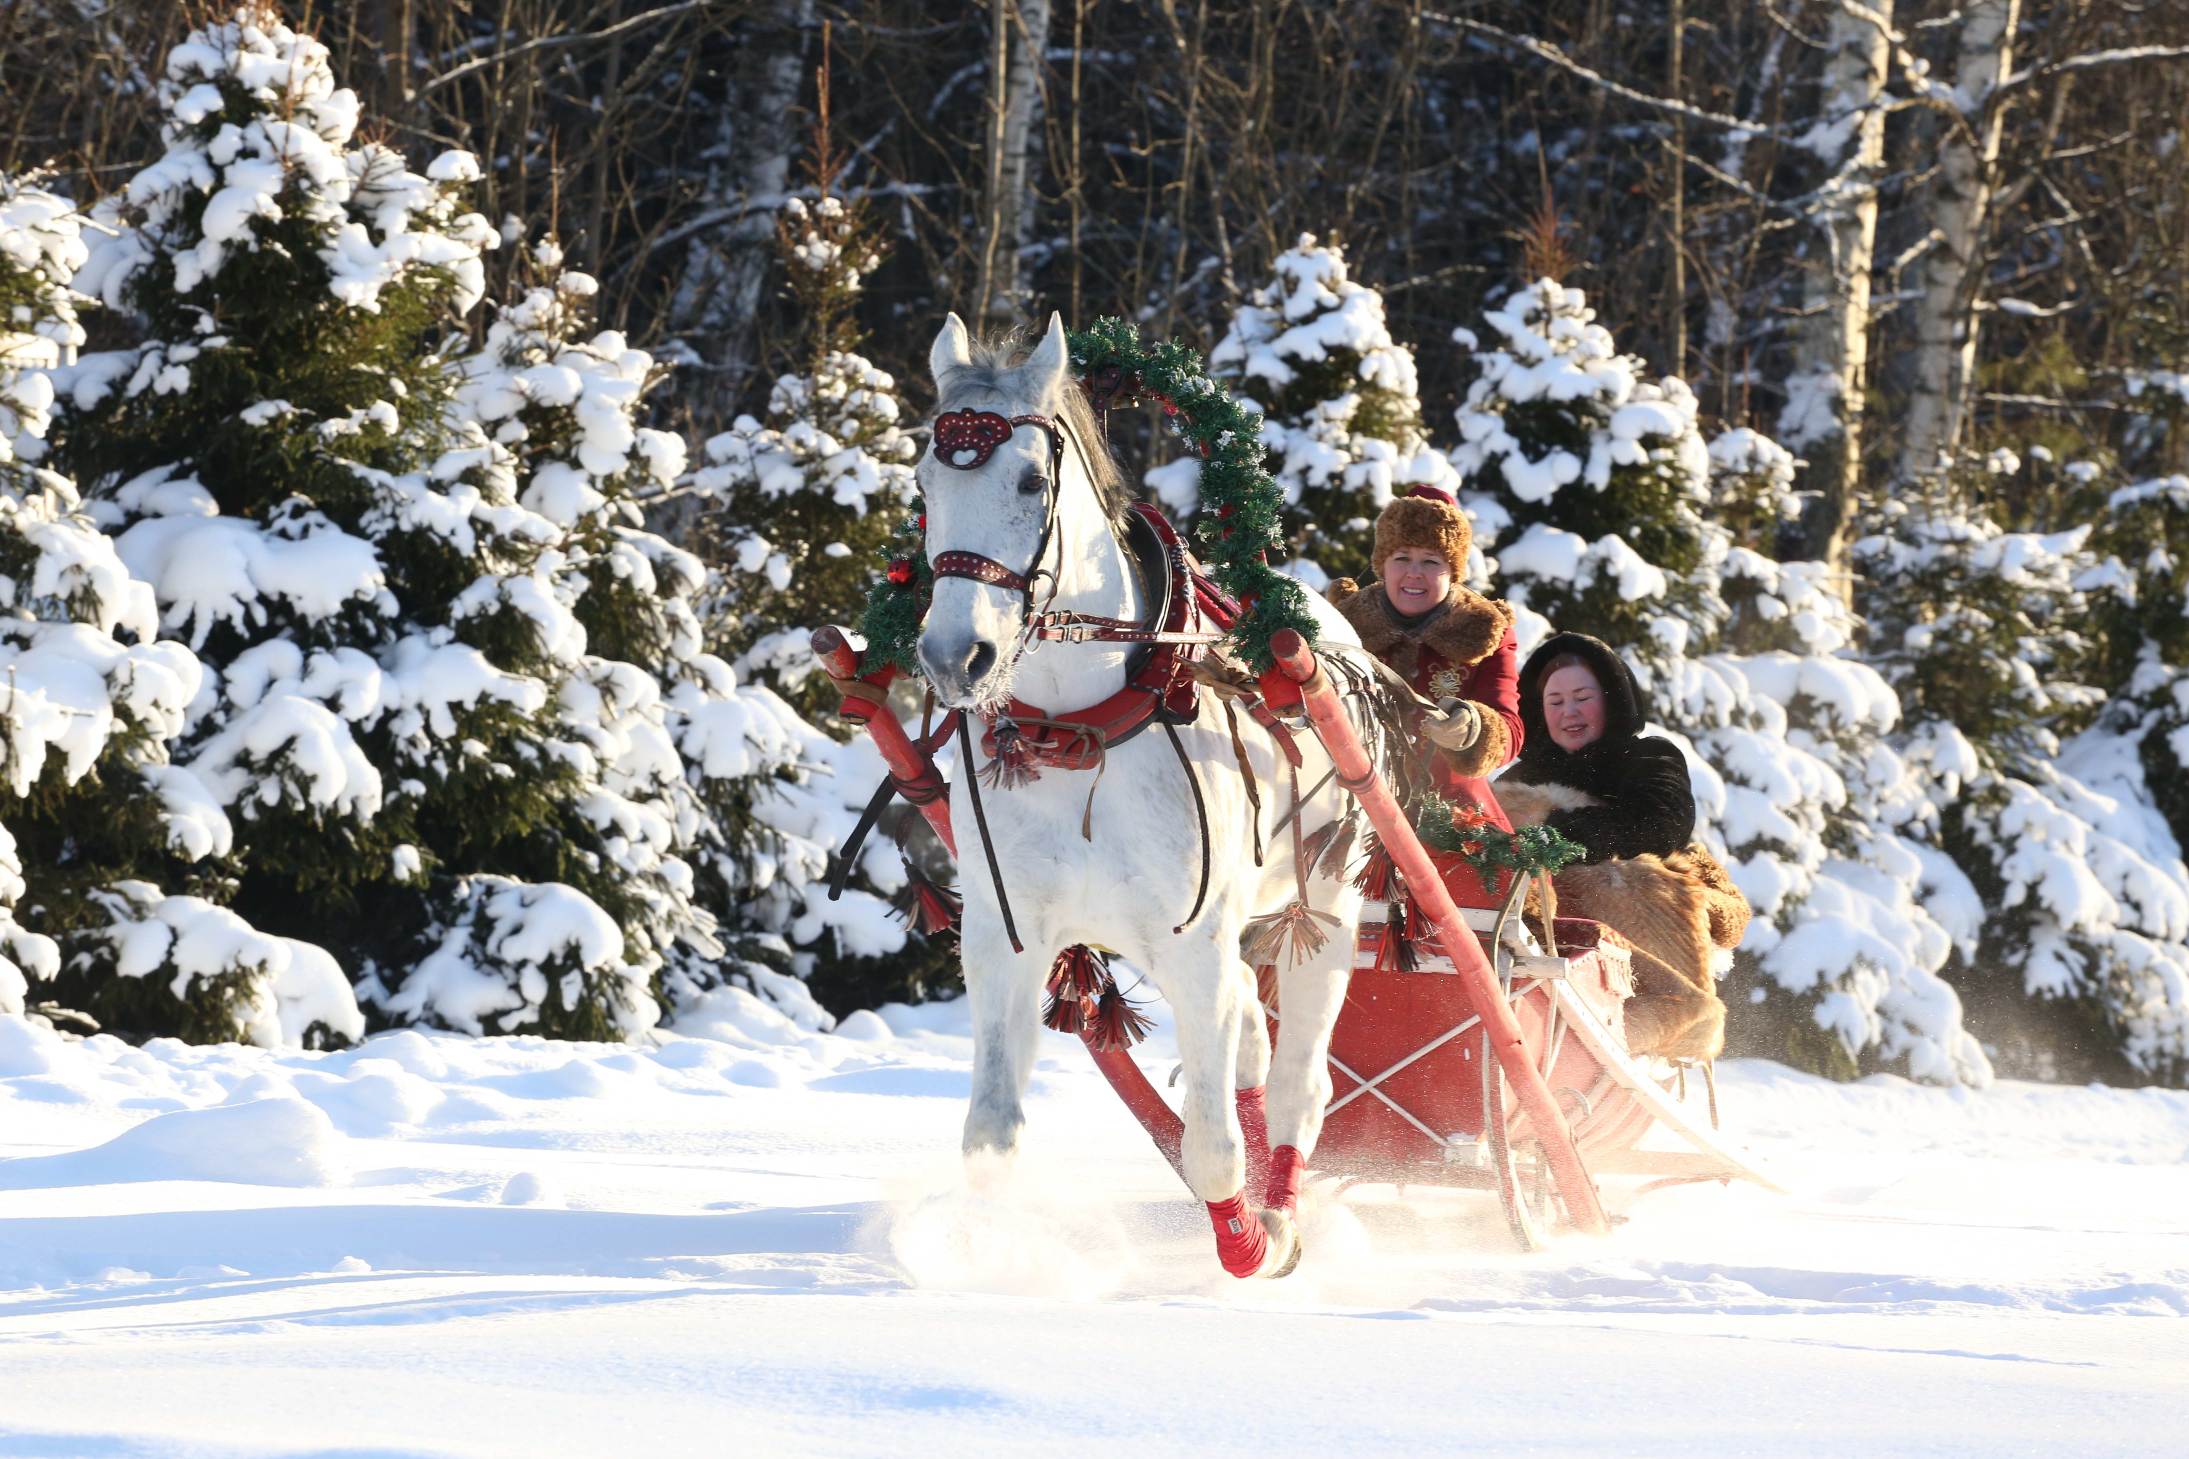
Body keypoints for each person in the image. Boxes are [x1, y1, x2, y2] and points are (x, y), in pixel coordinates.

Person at [1496, 631, 1749, 1061]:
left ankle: (1666, 1014)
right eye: (1555, 702)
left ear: (1611, 698)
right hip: (1541, 925)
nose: (1569, 712)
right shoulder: (1515, 779)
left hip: (1628, 918)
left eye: (1582, 697)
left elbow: (1659, 827)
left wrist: (1551, 826)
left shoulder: (1649, 757)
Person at [1322, 485, 1523, 791]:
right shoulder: (1343, 626)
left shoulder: (1485, 631)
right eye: (1402, 558)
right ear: (1382, 567)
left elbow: (1510, 728)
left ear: (1452, 572)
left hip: (1447, 808)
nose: (1414, 572)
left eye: (1431, 561)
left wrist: (1473, 730)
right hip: (1343, 793)